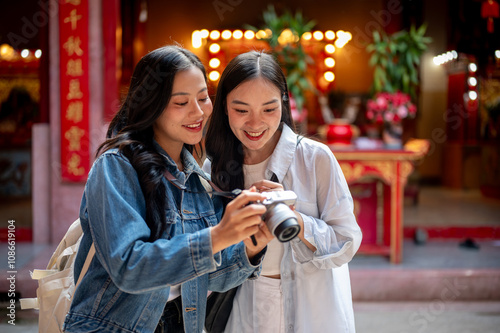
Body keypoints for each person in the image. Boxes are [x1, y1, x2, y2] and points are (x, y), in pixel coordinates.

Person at [63, 45, 273, 333]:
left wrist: (252, 245)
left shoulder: (197, 176)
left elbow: (208, 277)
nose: (198, 112)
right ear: (152, 104)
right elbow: (130, 268)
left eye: (203, 97)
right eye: (181, 102)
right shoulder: (115, 168)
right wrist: (217, 236)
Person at [204, 51, 363, 332]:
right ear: (224, 107)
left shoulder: (315, 159)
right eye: (241, 110)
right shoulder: (213, 168)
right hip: (243, 303)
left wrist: (298, 221)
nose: (255, 124)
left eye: (269, 109)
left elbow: (347, 241)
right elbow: (208, 254)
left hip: (312, 307)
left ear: (284, 103)